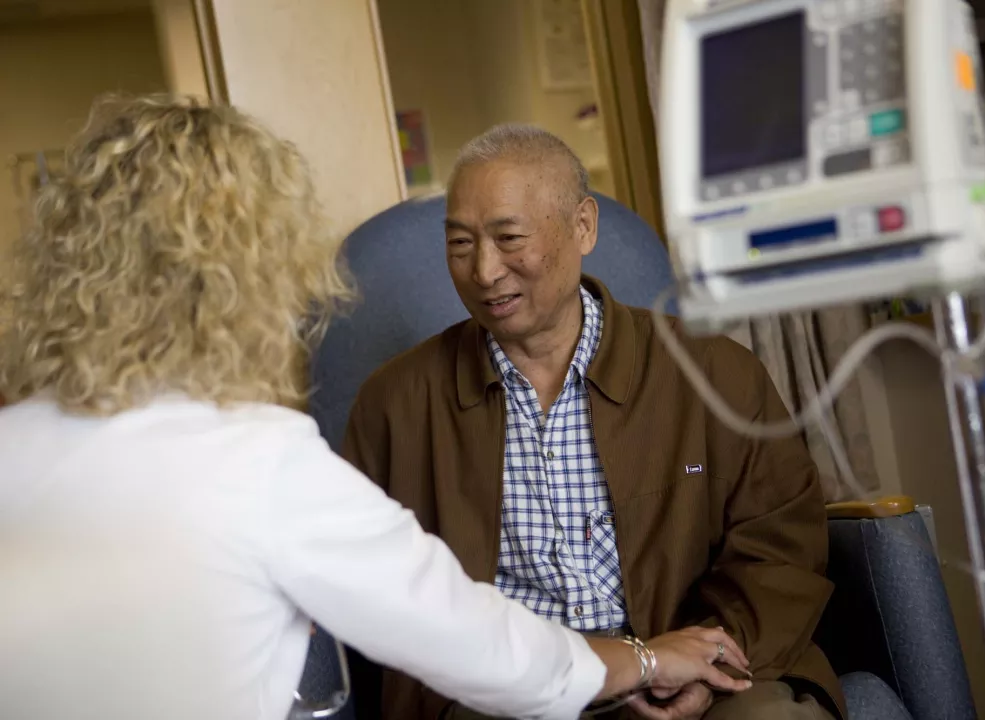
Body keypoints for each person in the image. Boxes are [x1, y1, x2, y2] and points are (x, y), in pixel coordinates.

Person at [0, 97, 746, 720]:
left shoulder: (11, 447)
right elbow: (482, 649)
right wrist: (648, 659)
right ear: (249, 275)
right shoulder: (262, 461)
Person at [344, 124, 844, 720]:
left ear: (582, 226)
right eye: (460, 244)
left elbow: (779, 545)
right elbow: (369, 585)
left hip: (698, 670)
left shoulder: (712, 372)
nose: (484, 271)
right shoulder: (396, 405)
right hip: (510, 698)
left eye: (509, 238)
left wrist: (709, 663)